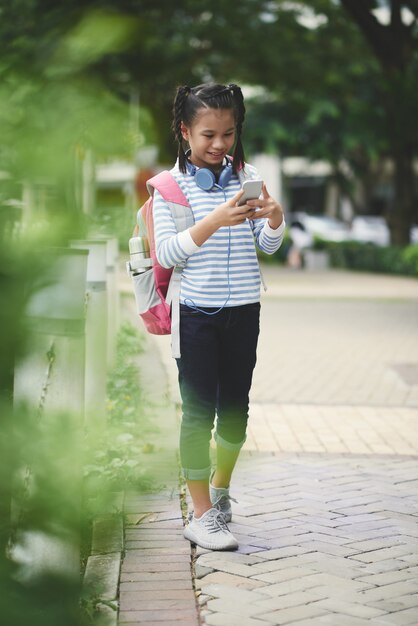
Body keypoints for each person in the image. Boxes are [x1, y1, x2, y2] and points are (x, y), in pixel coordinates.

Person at [153, 83, 285, 551]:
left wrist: (273, 218)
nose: (219, 145)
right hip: (196, 316)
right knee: (197, 413)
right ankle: (201, 513)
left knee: (235, 412)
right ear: (185, 131)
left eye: (228, 134)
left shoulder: (245, 175)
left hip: (244, 312)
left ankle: (222, 493)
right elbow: (167, 253)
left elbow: (266, 247)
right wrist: (213, 221)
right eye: (208, 134)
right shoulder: (168, 187)